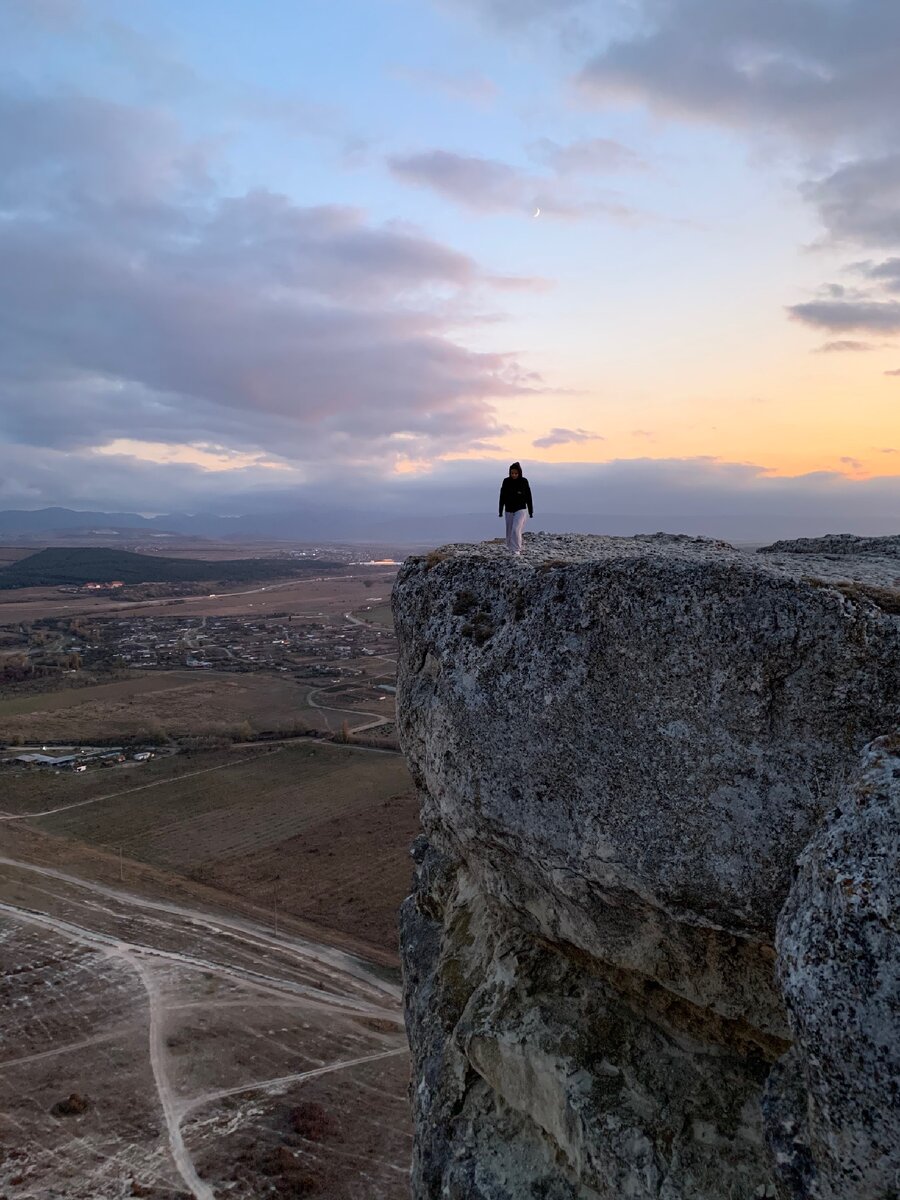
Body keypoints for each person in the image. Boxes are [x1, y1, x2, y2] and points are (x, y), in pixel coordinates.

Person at [498, 461, 533, 555]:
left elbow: (529, 496)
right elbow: (502, 496)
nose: (514, 475)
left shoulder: (524, 481)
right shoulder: (506, 481)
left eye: (516, 473)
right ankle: (510, 548)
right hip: (509, 509)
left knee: (516, 529)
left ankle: (517, 549)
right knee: (509, 530)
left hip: (521, 509)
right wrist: (500, 510)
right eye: (512, 473)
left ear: (519, 473)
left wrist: (531, 511)